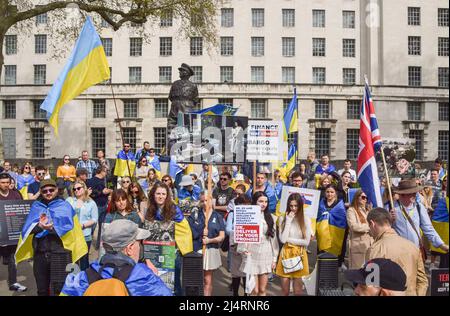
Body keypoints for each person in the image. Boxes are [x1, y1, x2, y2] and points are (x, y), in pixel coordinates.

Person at [60, 219, 173, 296]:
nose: (141, 246)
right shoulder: (143, 276)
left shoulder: (83, 277)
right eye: (140, 242)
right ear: (130, 248)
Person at [15, 179, 87, 296]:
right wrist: (40, 226)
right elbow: (27, 230)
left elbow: (71, 230)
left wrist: (53, 228)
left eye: (51, 190)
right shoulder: (36, 206)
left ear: (57, 190)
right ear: (41, 192)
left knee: (59, 289)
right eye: (45, 191)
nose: (48, 193)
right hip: (40, 254)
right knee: (42, 289)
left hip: (60, 253)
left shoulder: (65, 206)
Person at [144, 182, 193, 295]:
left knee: (174, 284)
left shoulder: (174, 209)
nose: (161, 196)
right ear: (153, 195)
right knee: (157, 282)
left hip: (172, 252)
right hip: (155, 252)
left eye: (163, 194)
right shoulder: (150, 209)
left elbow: (184, 229)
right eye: (158, 193)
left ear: (167, 196)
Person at [365, 207, 428, 296]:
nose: (369, 231)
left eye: (369, 226)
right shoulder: (413, 246)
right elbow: (422, 281)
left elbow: (371, 285)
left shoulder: (374, 249)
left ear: (372, 223)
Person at [389, 179, 449, 254]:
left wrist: (441, 245)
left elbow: (428, 229)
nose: (415, 195)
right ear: (402, 195)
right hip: (397, 252)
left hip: (415, 251)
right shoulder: (391, 208)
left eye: (415, 192)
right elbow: (383, 230)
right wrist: (389, 221)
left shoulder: (419, 207)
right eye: (411, 193)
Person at [237, 192, 279, 296]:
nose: (263, 204)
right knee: (253, 290)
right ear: (255, 202)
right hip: (252, 253)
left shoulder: (272, 218)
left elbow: (274, 240)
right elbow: (242, 234)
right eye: (261, 201)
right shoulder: (247, 214)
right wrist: (243, 249)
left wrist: (274, 258)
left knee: (262, 290)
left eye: (266, 201)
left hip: (266, 253)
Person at [187, 192, 225, 296]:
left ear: (211, 200)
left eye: (206, 200)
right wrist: (200, 233)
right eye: (202, 201)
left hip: (211, 249)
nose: (204, 203)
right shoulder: (195, 215)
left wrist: (210, 240)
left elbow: (222, 236)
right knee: (196, 279)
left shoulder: (217, 216)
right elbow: (189, 231)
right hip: (197, 249)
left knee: (207, 280)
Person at [275, 193, 311, 296]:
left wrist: (289, 240)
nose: (293, 208)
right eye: (291, 206)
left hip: (300, 253)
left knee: (298, 292)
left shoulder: (306, 219)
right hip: (286, 253)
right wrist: (288, 221)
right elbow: (282, 239)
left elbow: (306, 242)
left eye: (296, 206)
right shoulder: (283, 218)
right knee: (285, 291)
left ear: (300, 205)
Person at [0, 173, 27, 292]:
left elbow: (21, 211)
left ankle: (13, 282)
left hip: (12, 233)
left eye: (7, 182)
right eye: (3, 182)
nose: (6, 185)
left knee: (12, 259)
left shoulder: (15, 194)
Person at [66, 181, 98, 271]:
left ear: (84, 189)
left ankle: (84, 279)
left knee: (84, 259)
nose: (76, 190)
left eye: (79, 188)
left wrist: (83, 225)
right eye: (74, 189)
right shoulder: (69, 200)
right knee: (72, 259)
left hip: (85, 235)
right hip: (71, 234)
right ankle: (72, 279)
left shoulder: (91, 203)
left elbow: (94, 219)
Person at [226, 192, 250, 296]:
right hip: (235, 246)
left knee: (246, 272)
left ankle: (246, 293)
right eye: (242, 204)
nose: (244, 206)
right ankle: (235, 293)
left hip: (248, 247)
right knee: (236, 273)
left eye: (247, 204)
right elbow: (227, 229)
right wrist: (239, 231)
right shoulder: (232, 213)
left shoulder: (252, 214)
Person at [316, 184, 347, 262]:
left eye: (332, 192)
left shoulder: (340, 204)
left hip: (335, 230)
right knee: (322, 246)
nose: (329, 194)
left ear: (335, 193)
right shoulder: (321, 203)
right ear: (325, 193)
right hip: (323, 230)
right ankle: (321, 263)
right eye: (327, 192)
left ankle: (338, 264)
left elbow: (342, 217)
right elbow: (318, 215)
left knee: (336, 246)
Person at [86, 166, 112, 249]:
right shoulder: (91, 181)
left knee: (103, 226)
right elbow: (91, 192)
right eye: (106, 171)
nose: (107, 173)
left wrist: (108, 192)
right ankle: (87, 245)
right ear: (101, 171)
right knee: (92, 226)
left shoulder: (103, 180)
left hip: (103, 205)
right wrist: (102, 192)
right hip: (95, 205)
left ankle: (99, 245)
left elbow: (104, 191)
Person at [347, 190, 373, 269]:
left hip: (370, 244)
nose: (365, 199)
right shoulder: (351, 210)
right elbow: (353, 226)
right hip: (358, 244)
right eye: (363, 197)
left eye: (366, 198)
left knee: (369, 272)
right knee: (358, 270)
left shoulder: (368, 210)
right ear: (357, 198)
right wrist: (369, 227)